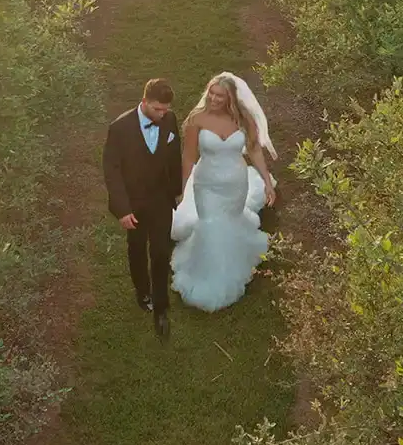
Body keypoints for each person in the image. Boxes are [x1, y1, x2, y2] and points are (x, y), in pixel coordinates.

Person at [170, 72, 276, 312]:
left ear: (231, 98)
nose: (214, 99)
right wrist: (182, 188)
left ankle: (232, 262)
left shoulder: (244, 119)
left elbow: (254, 151)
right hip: (206, 184)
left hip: (235, 184)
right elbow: (188, 157)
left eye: (220, 96)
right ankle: (206, 276)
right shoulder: (197, 119)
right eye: (212, 93)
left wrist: (267, 182)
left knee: (229, 223)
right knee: (210, 226)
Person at [103, 78, 183, 340]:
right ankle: (142, 291)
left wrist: (177, 190)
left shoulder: (169, 120)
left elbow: (174, 156)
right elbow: (112, 172)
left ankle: (161, 308)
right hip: (134, 204)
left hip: (161, 200)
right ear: (144, 102)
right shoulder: (119, 129)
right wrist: (122, 209)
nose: (163, 114)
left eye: (166, 110)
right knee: (137, 249)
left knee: (160, 252)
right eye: (158, 109)